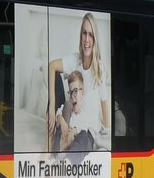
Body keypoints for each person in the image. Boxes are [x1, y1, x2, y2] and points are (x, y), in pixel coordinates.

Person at [48, 13, 111, 141]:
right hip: (70, 120)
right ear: (80, 35)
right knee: (55, 76)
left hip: (85, 129)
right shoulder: (75, 60)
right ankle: (47, 147)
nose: (87, 39)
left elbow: (104, 103)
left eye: (91, 34)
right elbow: (52, 66)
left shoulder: (99, 68)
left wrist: (107, 132)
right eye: (84, 33)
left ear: (95, 39)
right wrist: (51, 106)